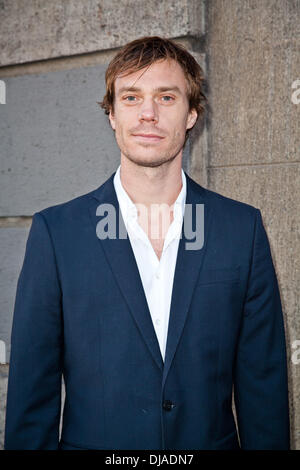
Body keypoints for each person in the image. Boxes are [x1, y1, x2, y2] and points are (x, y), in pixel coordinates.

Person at [5, 36, 290, 450]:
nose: (148, 114)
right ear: (112, 115)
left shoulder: (241, 230)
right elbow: (32, 396)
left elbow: (263, 390)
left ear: (192, 114)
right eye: (132, 97)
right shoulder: (57, 233)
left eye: (167, 97)